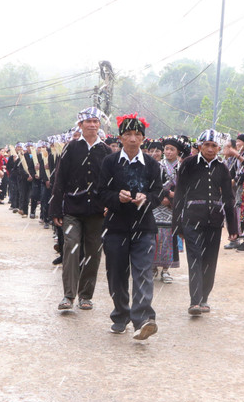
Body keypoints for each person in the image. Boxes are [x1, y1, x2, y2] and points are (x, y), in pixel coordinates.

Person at [96, 113, 162, 340]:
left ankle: (143, 319)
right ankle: (120, 315)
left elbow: (158, 192)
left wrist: (147, 198)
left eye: (137, 135)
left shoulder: (152, 165)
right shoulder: (110, 163)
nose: (133, 139)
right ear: (120, 138)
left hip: (144, 227)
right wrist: (118, 197)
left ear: (143, 138)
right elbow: (102, 192)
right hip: (115, 227)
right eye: (128, 135)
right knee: (116, 273)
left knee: (143, 272)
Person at [173, 129, 238, 315]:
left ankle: (204, 298)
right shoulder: (188, 164)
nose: (210, 149)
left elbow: (228, 198)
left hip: (214, 221)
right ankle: (194, 301)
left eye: (214, 146)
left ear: (219, 147)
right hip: (192, 219)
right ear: (200, 146)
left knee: (210, 261)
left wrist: (232, 226)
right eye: (206, 145)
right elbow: (179, 194)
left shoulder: (223, 168)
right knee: (195, 258)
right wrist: (177, 223)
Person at [50, 107, 110, 311]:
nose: (92, 125)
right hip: (72, 209)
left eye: (95, 121)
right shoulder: (71, 148)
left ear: (99, 125)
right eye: (88, 122)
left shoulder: (106, 151)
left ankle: (86, 295)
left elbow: (111, 182)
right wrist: (56, 210)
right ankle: (68, 295)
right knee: (71, 247)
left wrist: (109, 206)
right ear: (80, 125)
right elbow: (60, 179)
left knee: (93, 252)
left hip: (97, 211)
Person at [154, 136, 185, 283]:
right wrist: (164, 196)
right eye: (166, 149)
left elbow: (185, 187)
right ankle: (152, 266)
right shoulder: (158, 166)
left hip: (173, 207)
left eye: (172, 149)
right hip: (157, 206)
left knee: (169, 238)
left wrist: (173, 197)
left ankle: (165, 270)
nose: (168, 152)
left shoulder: (182, 167)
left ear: (178, 151)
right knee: (155, 236)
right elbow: (153, 185)